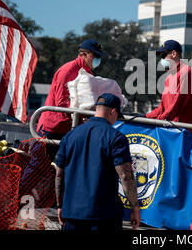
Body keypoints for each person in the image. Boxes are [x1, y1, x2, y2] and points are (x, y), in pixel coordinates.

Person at [55, 93, 140, 231]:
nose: (116, 121)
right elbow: (125, 176)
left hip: (72, 214)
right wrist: (135, 207)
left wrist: (60, 206)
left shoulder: (70, 136)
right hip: (103, 217)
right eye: (117, 117)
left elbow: (59, 175)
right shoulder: (116, 138)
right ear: (113, 111)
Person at [37, 39, 104, 141]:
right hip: (53, 128)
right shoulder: (67, 71)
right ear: (85, 54)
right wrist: (84, 113)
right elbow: (61, 103)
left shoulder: (88, 73)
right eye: (96, 56)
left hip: (70, 128)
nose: (98, 59)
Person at [146, 40, 192, 126]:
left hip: (188, 131)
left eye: (164, 55)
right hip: (172, 129)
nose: (162, 59)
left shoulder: (186, 72)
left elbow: (176, 105)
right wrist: (145, 117)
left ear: (174, 54)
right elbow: (162, 108)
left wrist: (159, 120)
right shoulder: (168, 77)